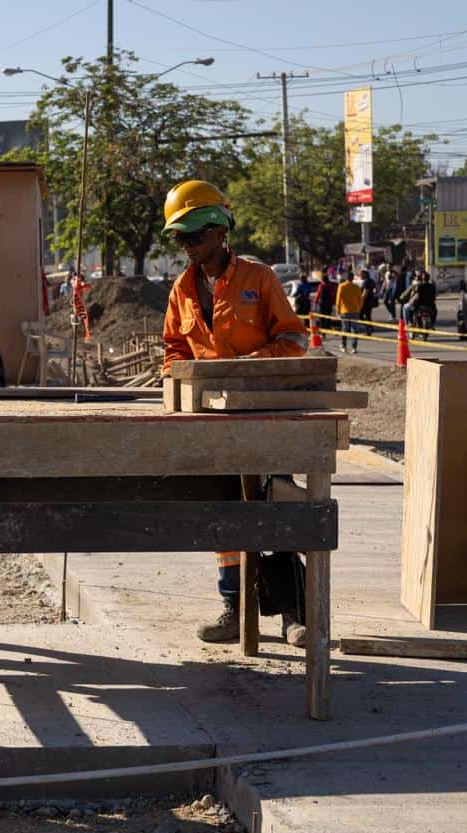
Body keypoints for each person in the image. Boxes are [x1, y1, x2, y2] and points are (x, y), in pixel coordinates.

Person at [159, 178, 309, 648]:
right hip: (215, 424)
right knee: (225, 514)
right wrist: (184, 383)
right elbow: (173, 349)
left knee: (275, 508)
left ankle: (293, 614)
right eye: (180, 237)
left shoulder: (258, 280)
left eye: (194, 235)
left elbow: (294, 339)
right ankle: (235, 608)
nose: (187, 245)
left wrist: (250, 367)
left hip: (266, 416)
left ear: (219, 230)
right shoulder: (182, 290)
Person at [336, 273, 364, 354]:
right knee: (355, 330)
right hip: (355, 311)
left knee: (345, 329)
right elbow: (361, 299)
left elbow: (338, 300)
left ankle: (344, 346)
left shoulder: (342, 286)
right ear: (353, 278)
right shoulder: (356, 287)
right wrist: (359, 308)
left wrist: (337, 311)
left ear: (346, 278)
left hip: (345, 311)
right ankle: (354, 348)